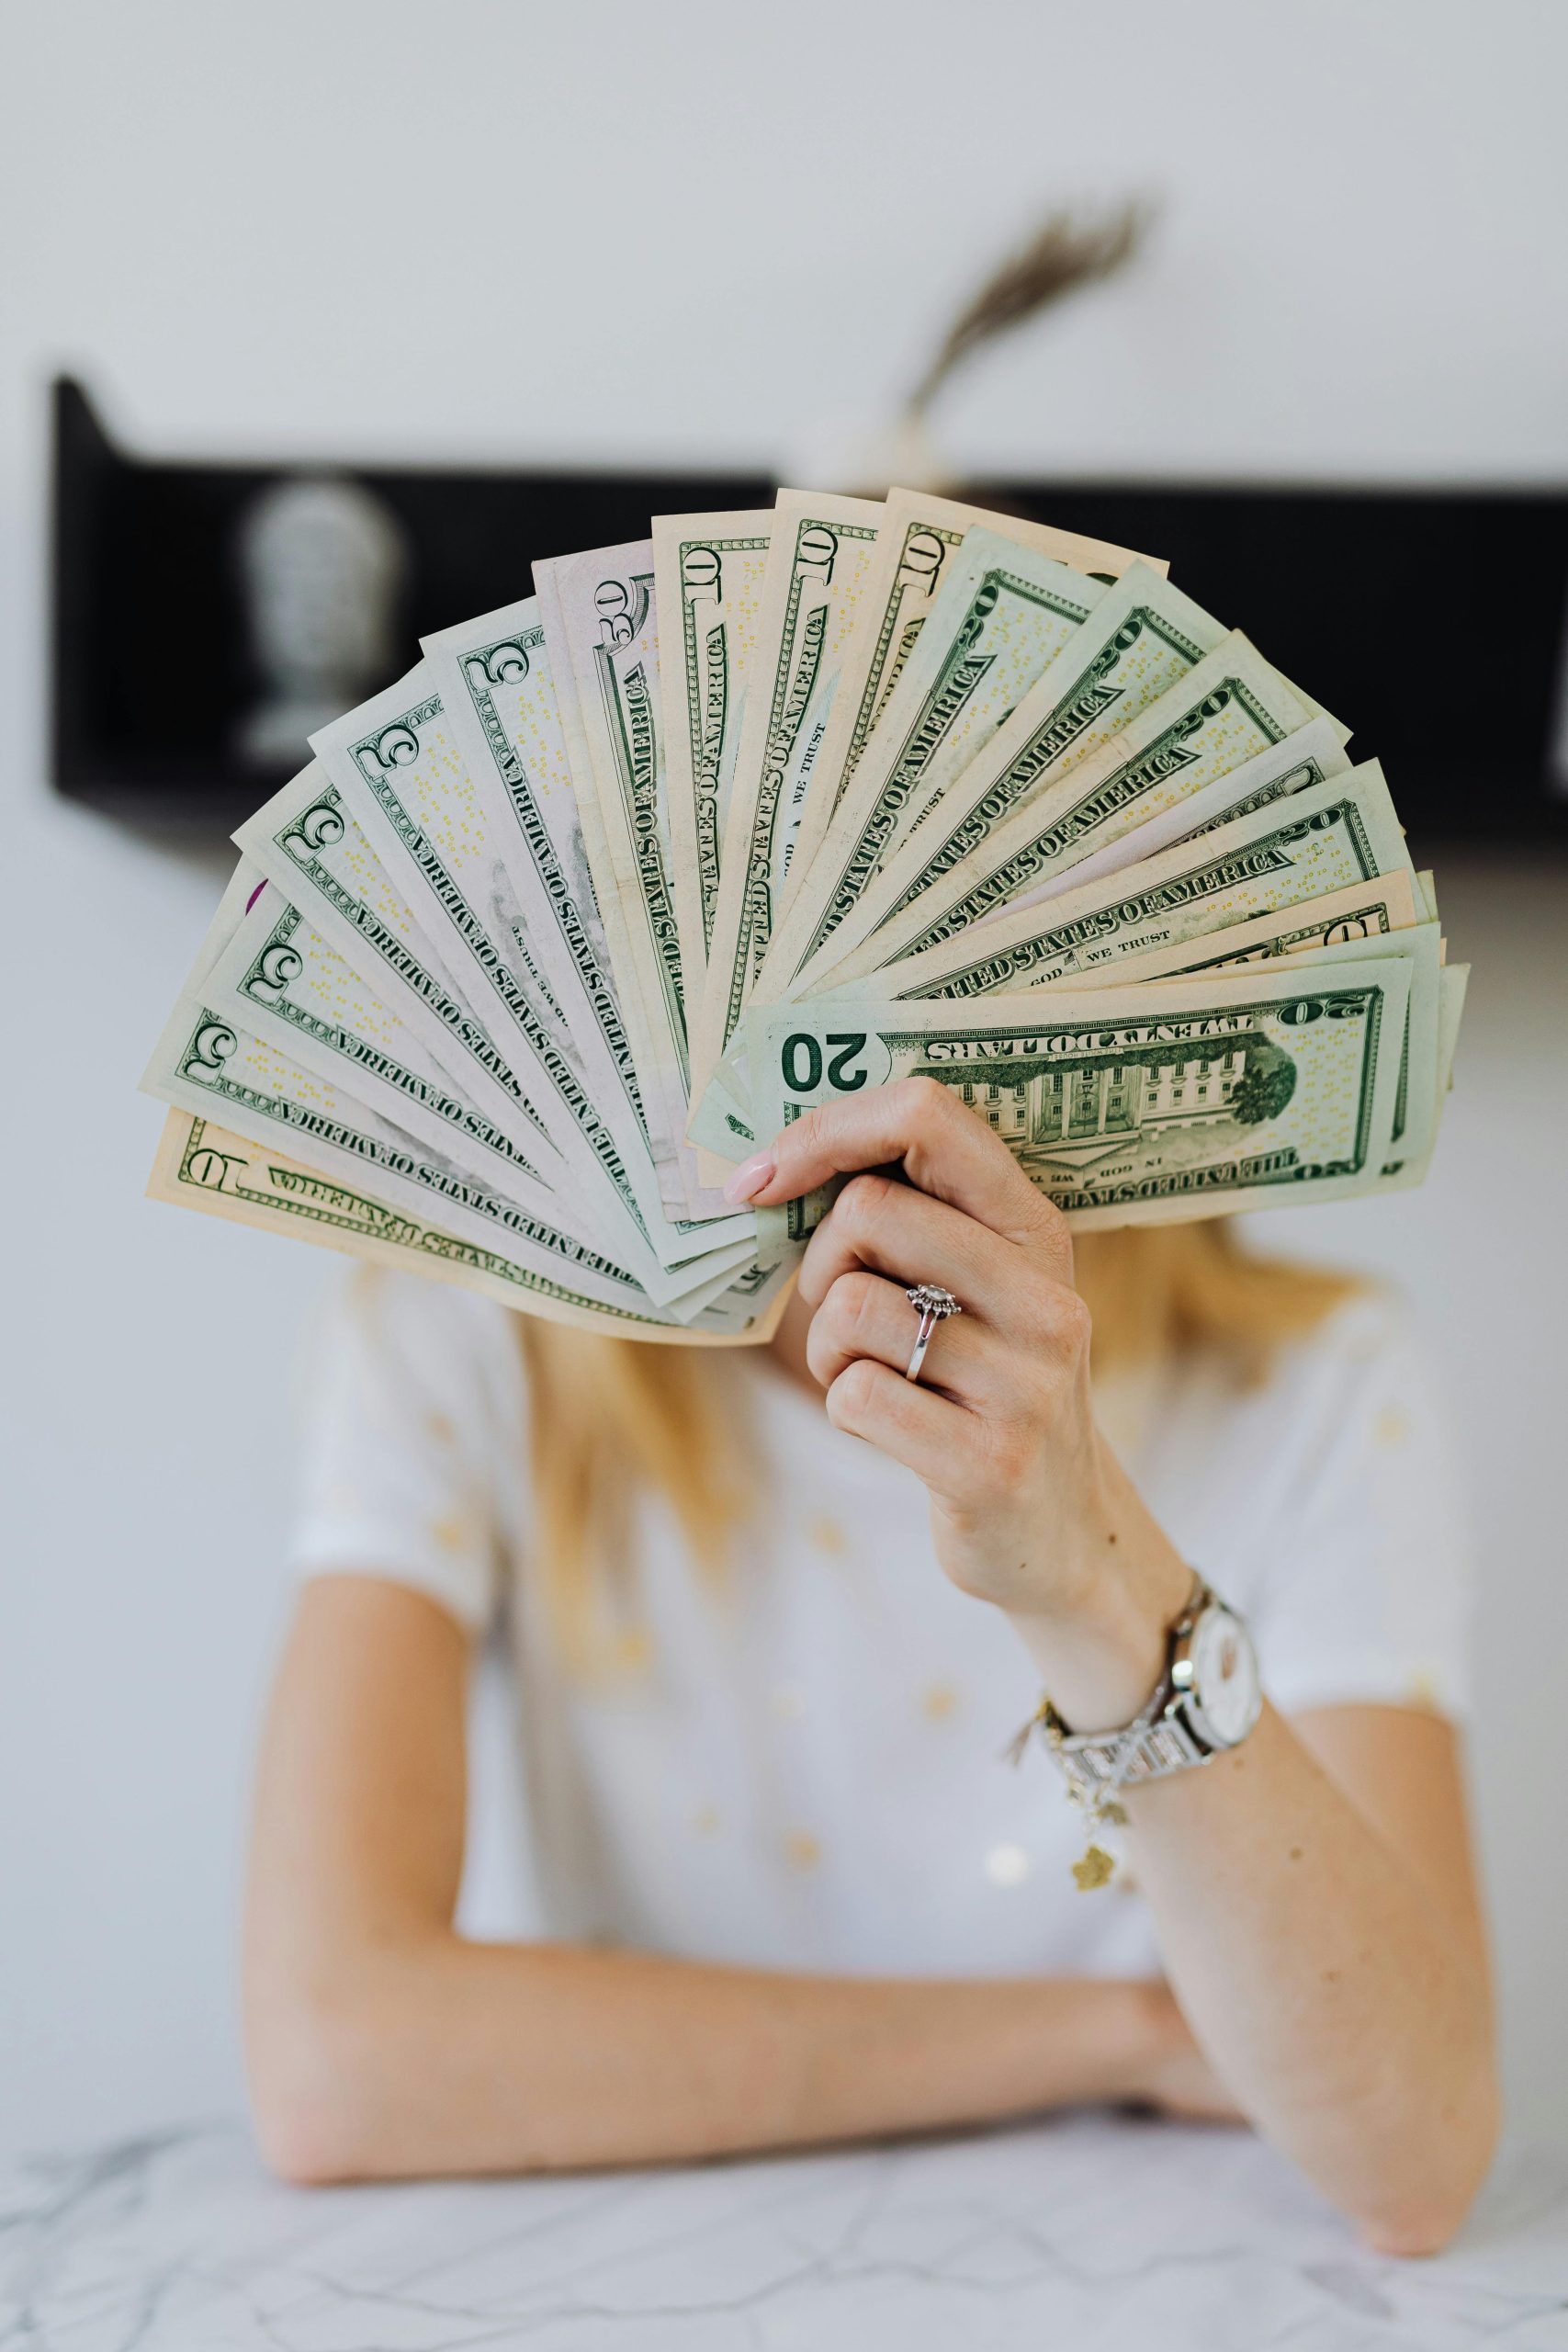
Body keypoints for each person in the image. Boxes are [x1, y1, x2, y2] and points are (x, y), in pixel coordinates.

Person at [244, 1080, 1497, 2253]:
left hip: (1147, 2273)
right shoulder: (472, 1336)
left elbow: (1417, 2154)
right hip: (661, 2268)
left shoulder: (1316, 1375)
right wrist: (1138, 2035)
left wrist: (1089, 1576)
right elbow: (333, 2057)